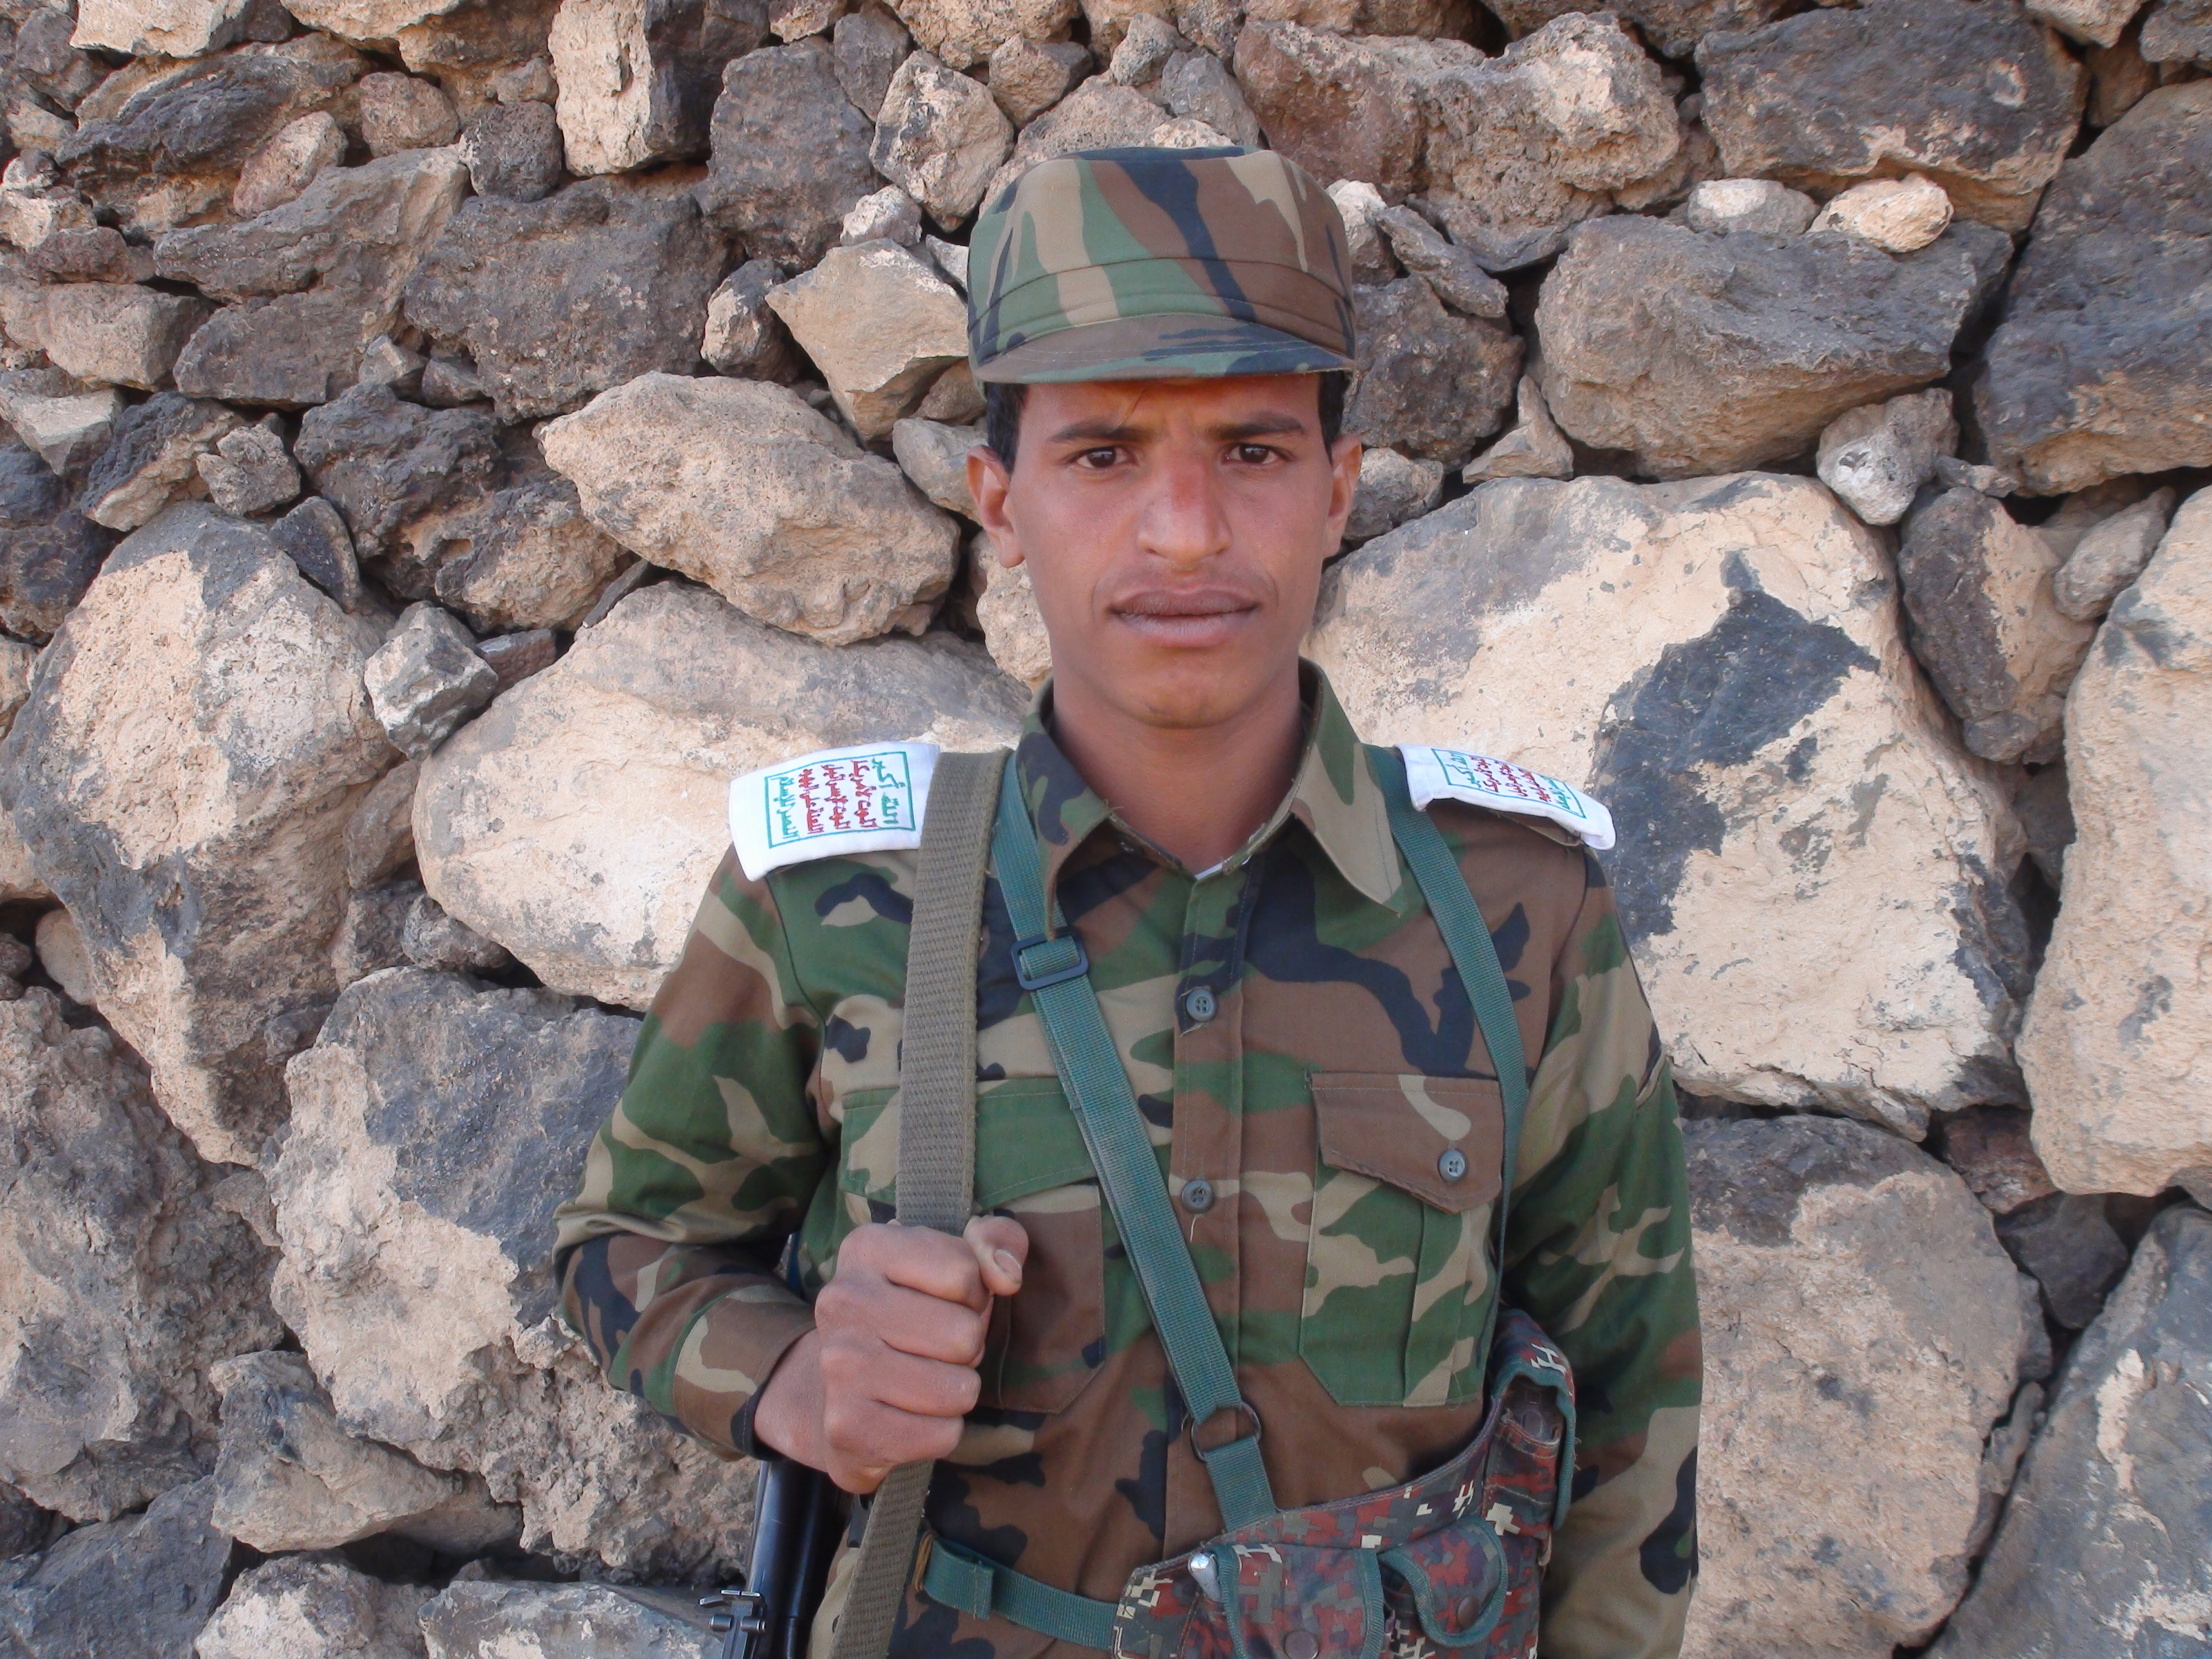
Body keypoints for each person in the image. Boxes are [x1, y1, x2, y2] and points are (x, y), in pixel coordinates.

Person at [554, 146, 1700, 1659]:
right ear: (1000, 502)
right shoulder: (836, 901)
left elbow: (1629, 1392)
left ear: (1338, 491)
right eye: (1102, 456)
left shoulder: (1518, 904)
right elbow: (627, 1245)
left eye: (1253, 451)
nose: (1184, 531)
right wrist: (798, 1381)